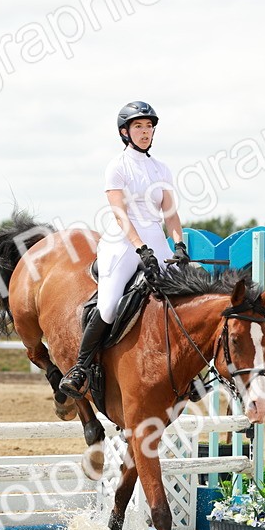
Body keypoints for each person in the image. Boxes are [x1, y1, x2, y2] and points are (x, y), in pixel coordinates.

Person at [58, 101, 189, 397]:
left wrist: (179, 245)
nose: (145, 132)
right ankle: (80, 368)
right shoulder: (117, 166)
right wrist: (140, 248)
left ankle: (190, 370)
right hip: (123, 242)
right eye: (139, 127)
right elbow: (120, 214)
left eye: (149, 126)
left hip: (156, 239)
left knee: (184, 298)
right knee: (108, 306)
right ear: (125, 132)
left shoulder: (162, 168)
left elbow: (170, 214)